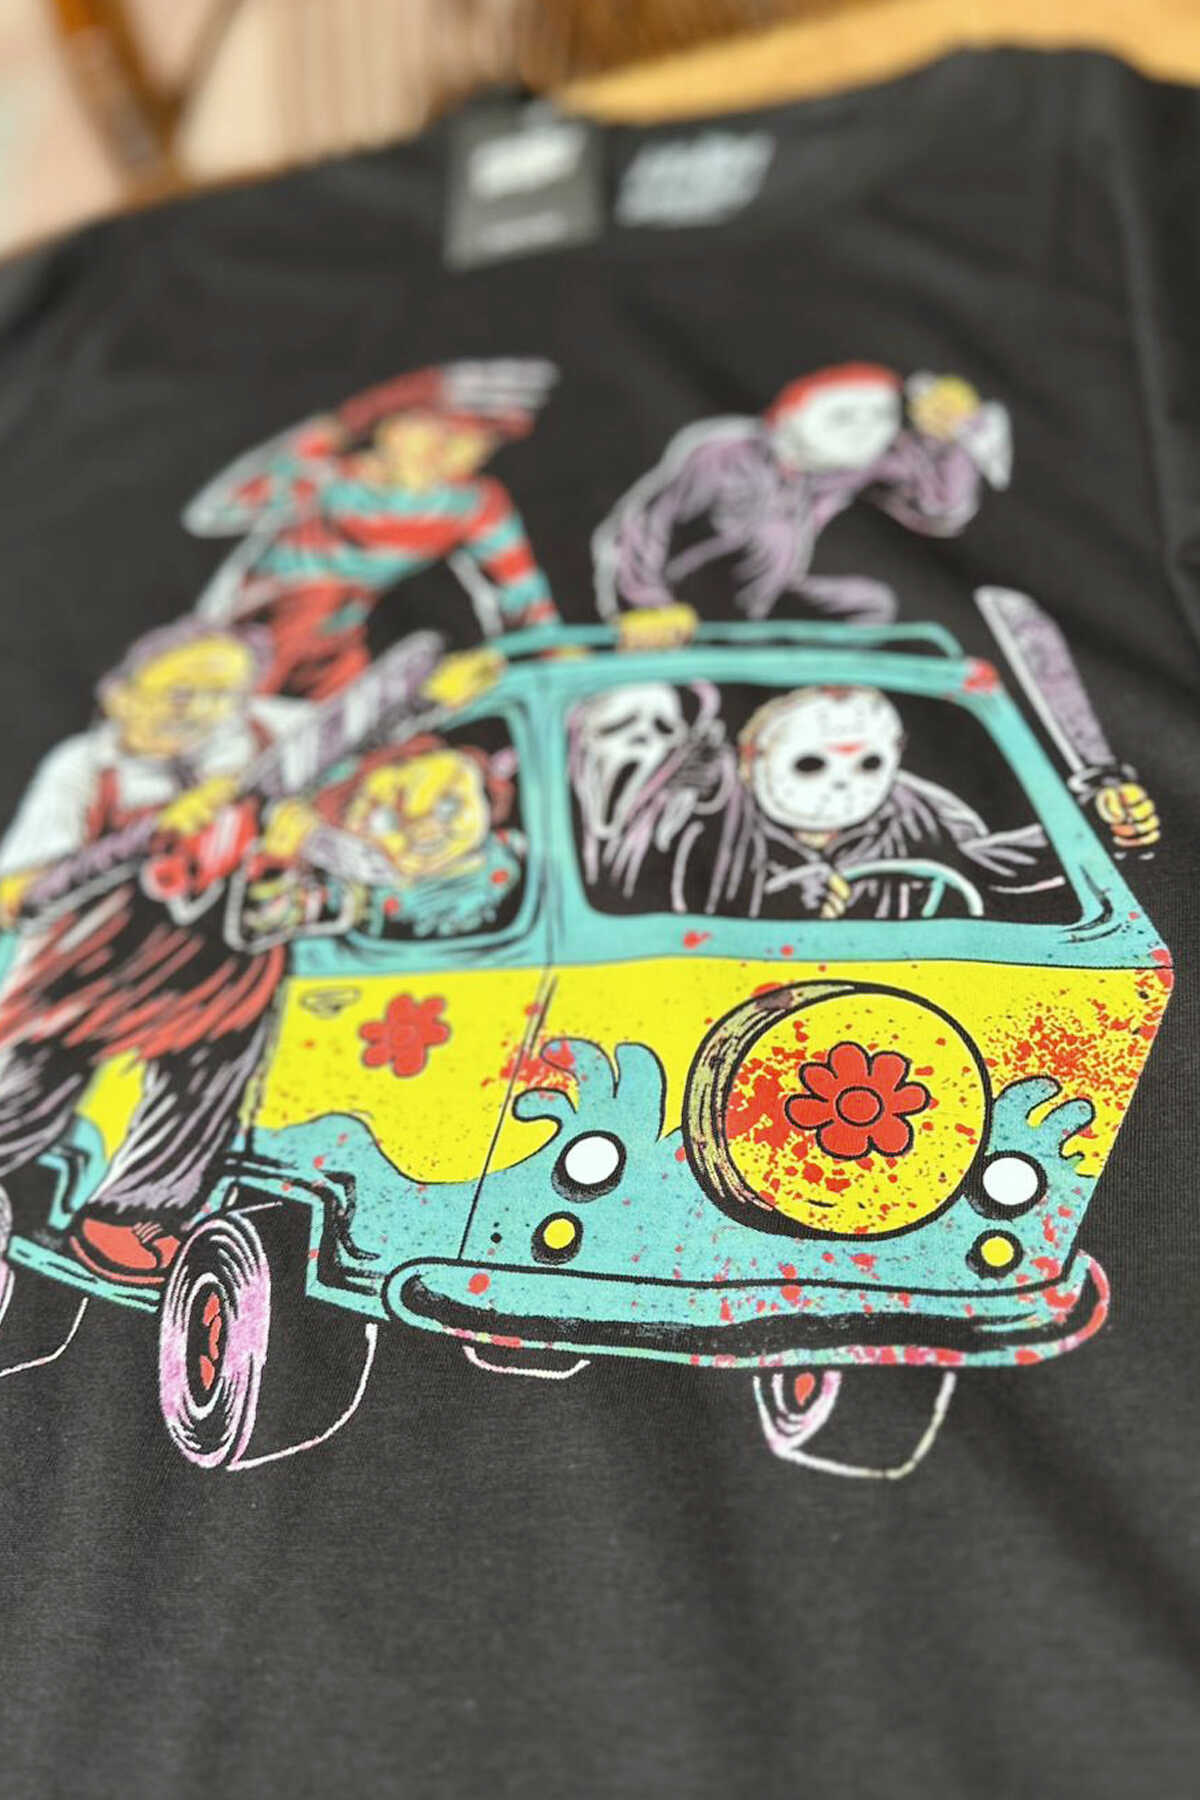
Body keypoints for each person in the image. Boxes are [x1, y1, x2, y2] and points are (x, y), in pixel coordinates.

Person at [0, 622, 310, 1285]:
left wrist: (424, 691)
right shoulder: (84, 769)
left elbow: (357, 722)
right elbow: (14, 895)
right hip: (91, 963)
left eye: (223, 695)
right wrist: (146, 837)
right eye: (180, 693)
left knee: (212, 1070)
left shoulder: (264, 735)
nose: (202, 711)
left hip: (220, 961)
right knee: (37, 1080)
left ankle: (132, 1213)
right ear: (120, 695)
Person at [185, 360, 560, 698]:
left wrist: (561, 654)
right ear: (387, 424)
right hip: (244, 636)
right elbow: (213, 511)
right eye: (435, 429)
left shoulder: (472, 504)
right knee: (320, 599)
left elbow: (523, 593)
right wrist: (340, 426)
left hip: (337, 650)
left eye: (474, 441)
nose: (445, 452)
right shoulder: (328, 479)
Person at [592, 362, 1011, 624]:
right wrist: (645, 605)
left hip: (767, 598)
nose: (865, 430)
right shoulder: (724, 455)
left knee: (868, 604)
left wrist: (950, 438)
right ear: (791, 417)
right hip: (688, 592)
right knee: (771, 536)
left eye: (879, 416)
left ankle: (830, 695)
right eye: (844, 416)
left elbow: (940, 505)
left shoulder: (848, 465)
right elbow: (647, 524)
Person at [233, 733, 524, 947]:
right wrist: (283, 858)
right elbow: (272, 917)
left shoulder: (508, 849)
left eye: (449, 805)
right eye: (389, 822)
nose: (426, 831)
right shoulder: (353, 888)